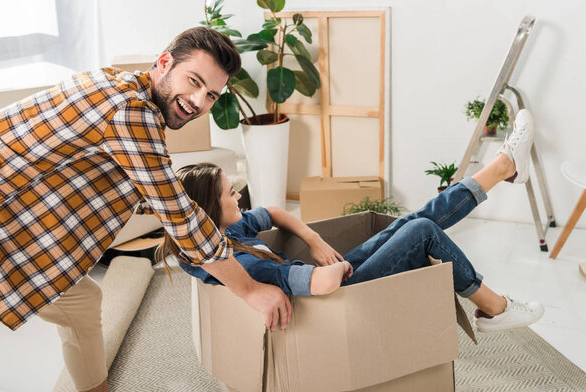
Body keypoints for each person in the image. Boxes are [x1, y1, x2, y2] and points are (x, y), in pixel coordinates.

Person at [0, 27, 291, 392]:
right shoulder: (132, 112)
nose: (197, 101)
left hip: (4, 207)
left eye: (210, 95)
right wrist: (249, 289)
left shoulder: (118, 83)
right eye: (193, 81)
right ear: (164, 63)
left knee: (82, 299)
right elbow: (179, 216)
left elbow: (128, 180)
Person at [158, 109, 545, 334]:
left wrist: (314, 240)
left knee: (407, 223)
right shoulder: (244, 264)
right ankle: (494, 307)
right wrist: (339, 267)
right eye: (230, 194)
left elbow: (274, 211)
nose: (239, 196)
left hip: (331, 277)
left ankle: (503, 167)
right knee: (420, 231)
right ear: (209, 209)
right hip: (337, 297)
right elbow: (319, 285)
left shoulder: (222, 235)